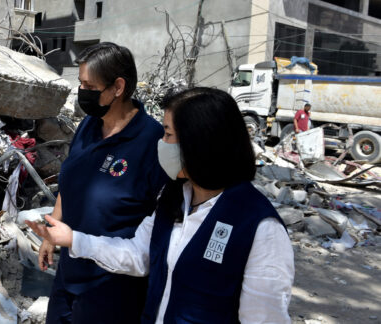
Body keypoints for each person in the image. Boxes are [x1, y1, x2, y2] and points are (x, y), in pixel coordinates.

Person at [28, 87, 294, 324]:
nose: (160, 143)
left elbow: (263, 316)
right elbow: (139, 255)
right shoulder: (173, 198)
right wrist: (74, 239)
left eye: (167, 134)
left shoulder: (258, 226)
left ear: (200, 141)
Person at [40, 43, 169, 324]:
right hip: (70, 270)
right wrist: (51, 233)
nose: (82, 93)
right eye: (80, 84)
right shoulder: (88, 125)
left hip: (112, 284)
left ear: (118, 87)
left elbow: (160, 224)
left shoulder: (152, 142)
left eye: (89, 85)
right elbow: (69, 183)